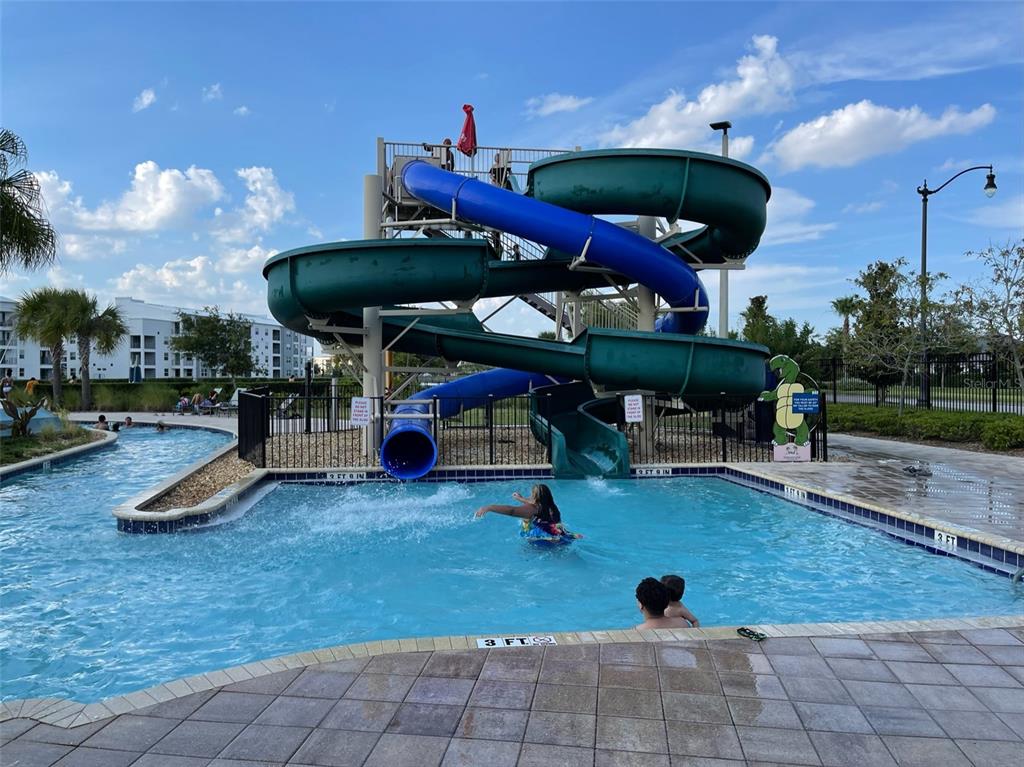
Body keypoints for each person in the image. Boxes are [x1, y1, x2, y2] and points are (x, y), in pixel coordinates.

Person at [474, 484, 582, 544]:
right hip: (561, 535)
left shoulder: (533, 509)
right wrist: (521, 499)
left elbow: (511, 511)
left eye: (532, 496)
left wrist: (489, 507)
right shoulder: (552, 507)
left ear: (535, 498)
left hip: (542, 542)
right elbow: (536, 503)